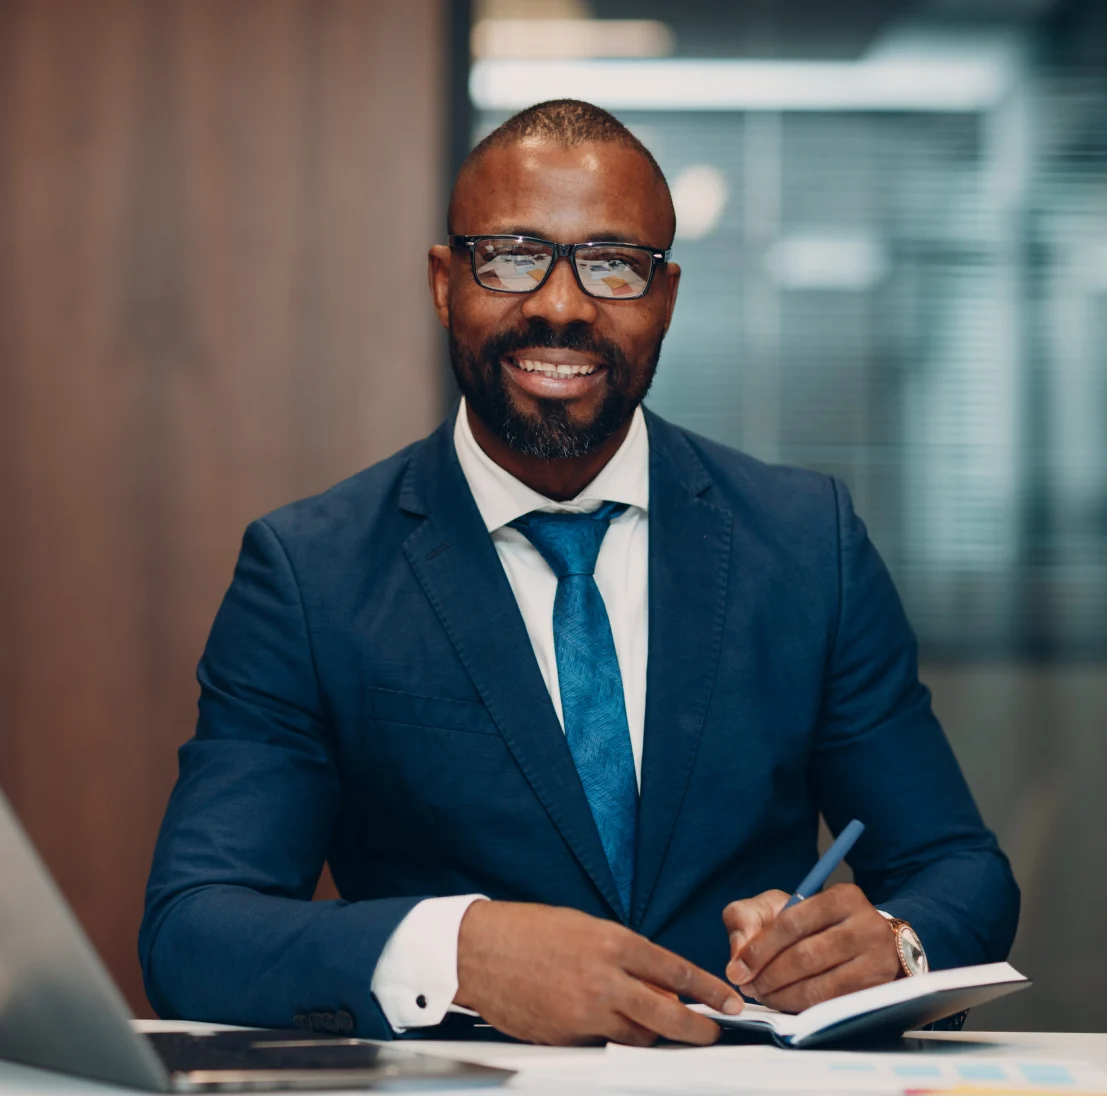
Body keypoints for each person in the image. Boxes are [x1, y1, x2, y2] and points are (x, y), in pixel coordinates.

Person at [140, 99, 1019, 1048]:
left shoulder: (808, 543)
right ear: (444, 283)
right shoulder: (311, 572)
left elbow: (956, 868)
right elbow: (194, 927)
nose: (560, 304)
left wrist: (893, 942)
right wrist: (461, 949)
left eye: (612, 264)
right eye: (512, 254)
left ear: (667, 297)